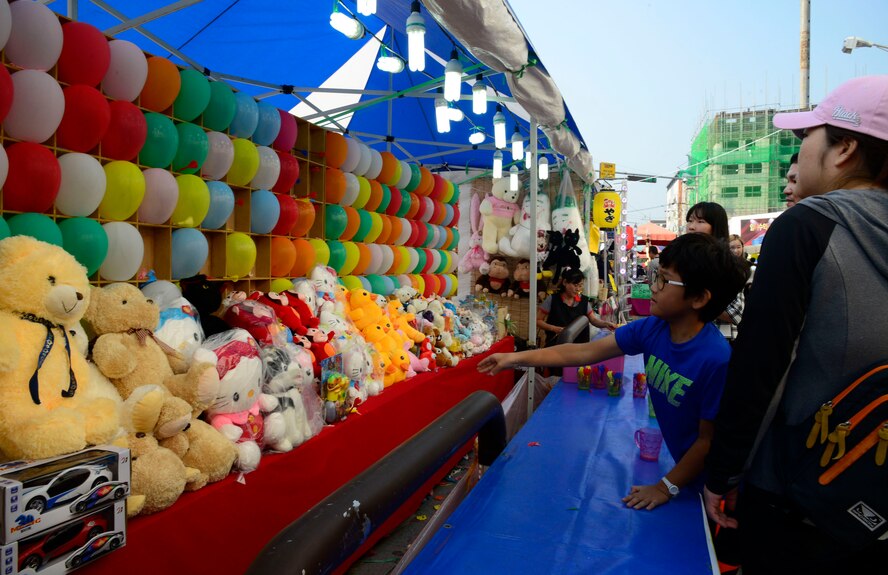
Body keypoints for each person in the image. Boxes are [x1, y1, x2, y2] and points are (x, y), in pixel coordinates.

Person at [703, 75, 888, 574]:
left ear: (844, 149)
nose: (800, 147)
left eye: (807, 135)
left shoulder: (806, 227)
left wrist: (723, 473)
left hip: (796, 495)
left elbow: (763, 364)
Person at [480, 234, 748, 510]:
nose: (652, 287)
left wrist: (665, 487)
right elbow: (579, 352)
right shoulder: (652, 328)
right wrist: (514, 358)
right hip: (679, 468)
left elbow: (708, 441)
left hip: (704, 486)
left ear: (699, 298)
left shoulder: (715, 359)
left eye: (664, 280)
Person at [686, 203, 747, 341]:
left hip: (720, 338)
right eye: (690, 220)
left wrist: (691, 298)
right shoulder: (683, 259)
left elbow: (735, 314)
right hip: (688, 338)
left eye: (700, 221)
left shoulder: (727, 264)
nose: (692, 226)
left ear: (716, 227)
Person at [537, 267, 615, 348]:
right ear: (564, 282)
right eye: (575, 285)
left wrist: (606, 324)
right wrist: (554, 329)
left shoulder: (583, 301)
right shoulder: (553, 300)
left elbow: (593, 320)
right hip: (557, 347)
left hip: (579, 348)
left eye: (580, 285)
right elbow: (538, 320)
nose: (578, 289)